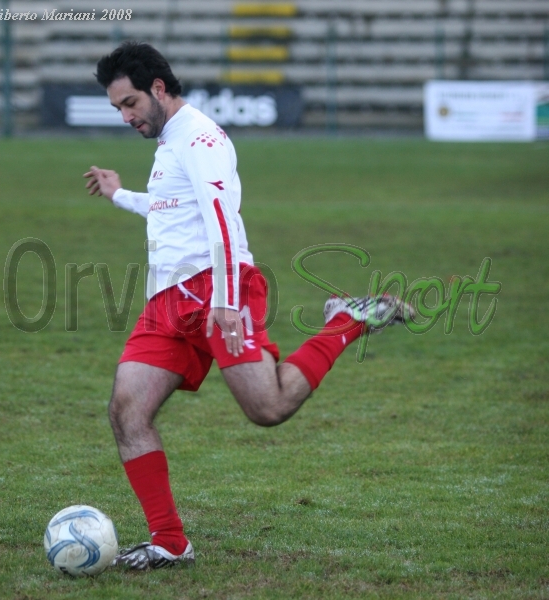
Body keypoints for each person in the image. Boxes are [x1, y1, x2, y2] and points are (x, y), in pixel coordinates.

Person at [83, 41, 413, 570]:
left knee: (269, 407)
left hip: (217, 290)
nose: (125, 116)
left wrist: (227, 300)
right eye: (117, 108)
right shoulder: (171, 142)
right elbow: (173, 210)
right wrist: (121, 194)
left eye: (128, 104)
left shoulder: (200, 135)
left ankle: (348, 320)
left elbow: (221, 216)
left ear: (158, 89)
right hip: (167, 301)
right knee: (128, 410)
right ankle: (169, 542)